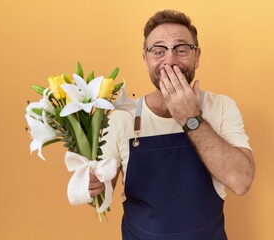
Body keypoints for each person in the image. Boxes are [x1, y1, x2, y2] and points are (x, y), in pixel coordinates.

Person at [89, 9, 255, 240]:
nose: (170, 60)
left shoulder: (222, 107)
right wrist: (90, 186)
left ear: (197, 56)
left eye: (181, 49)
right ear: (145, 59)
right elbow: (100, 195)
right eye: (158, 51)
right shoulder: (121, 117)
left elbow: (241, 182)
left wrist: (191, 118)